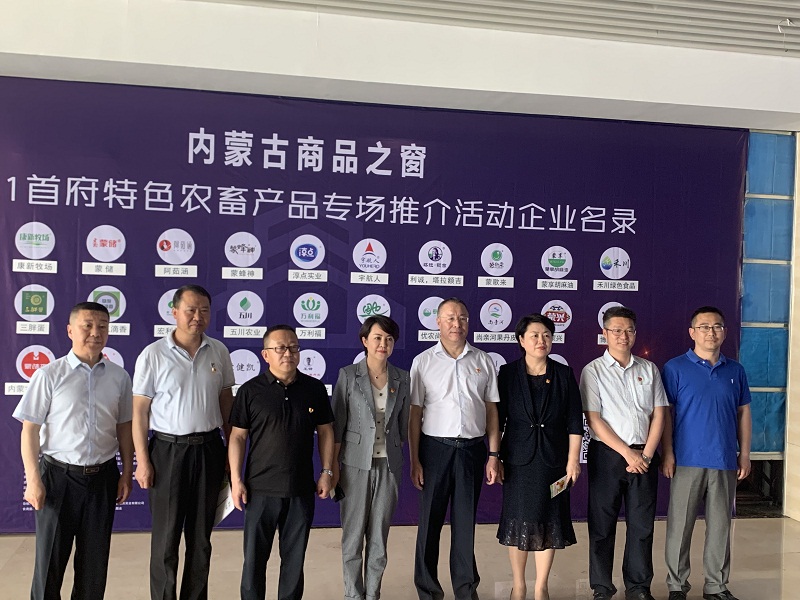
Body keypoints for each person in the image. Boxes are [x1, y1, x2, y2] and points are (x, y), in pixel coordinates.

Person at [13, 301, 134, 600]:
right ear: (70, 331)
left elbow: (124, 428)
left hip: (103, 477)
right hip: (58, 478)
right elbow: (30, 430)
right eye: (87, 326)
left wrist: (126, 472)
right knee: (49, 565)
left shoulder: (119, 377)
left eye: (102, 327)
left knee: (94, 566)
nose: (95, 333)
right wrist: (33, 480)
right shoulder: (49, 375)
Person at [132, 284, 235, 600]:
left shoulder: (219, 351)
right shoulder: (153, 354)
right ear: (174, 312)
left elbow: (226, 405)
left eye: (204, 310)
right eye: (190, 310)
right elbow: (139, 411)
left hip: (209, 449)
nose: (197, 316)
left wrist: (231, 457)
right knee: (166, 540)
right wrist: (142, 461)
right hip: (167, 451)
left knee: (201, 539)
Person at [229, 324, 335, 600]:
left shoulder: (314, 389)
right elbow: (238, 437)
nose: (288, 353)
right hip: (260, 490)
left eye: (293, 347)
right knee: (254, 562)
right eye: (280, 348)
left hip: (300, 489)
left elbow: (326, 431)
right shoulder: (250, 391)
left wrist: (326, 471)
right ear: (266, 354)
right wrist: (236, 480)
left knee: (294, 563)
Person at [408, 297, 502, 600]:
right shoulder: (423, 362)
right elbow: (414, 415)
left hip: (472, 451)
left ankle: (466, 590)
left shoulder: (483, 360)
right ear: (438, 322)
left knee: (465, 525)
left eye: (462, 318)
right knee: (430, 524)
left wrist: (493, 454)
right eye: (450, 318)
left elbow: (491, 411)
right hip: (435, 451)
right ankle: (428, 591)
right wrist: (415, 460)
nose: (456, 324)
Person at [661, 307, 752, 600]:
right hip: (686, 460)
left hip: (724, 459)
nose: (710, 332)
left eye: (716, 327)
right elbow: (665, 414)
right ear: (692, 332)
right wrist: (668, 452)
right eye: (703, 327)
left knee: (721, 527)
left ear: (724, 332)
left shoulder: (735, 371)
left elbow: (743, 413)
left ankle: (716, 586)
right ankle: (677, 585)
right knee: (680, 527)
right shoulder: (674, 368)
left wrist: (745, 453)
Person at [580, 306, 668, 600]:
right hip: (608, 456)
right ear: (604, 333)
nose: (623, 336)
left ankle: (638, 587)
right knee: (602, 525)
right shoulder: (593, 371)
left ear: (635, 333)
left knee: (642, 526)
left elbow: (659, 414)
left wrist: (647, 454)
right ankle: (602, 587)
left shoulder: (649, 369)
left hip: (645, 455)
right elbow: (594, 419)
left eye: (629, 330)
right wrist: (627, 453)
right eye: (616, 330)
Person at [496, 314, 584, 600]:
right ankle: (519, 585)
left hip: (554, 462)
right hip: (518, 461)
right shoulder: (507, 374)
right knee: (518, 520)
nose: (541, 340)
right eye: (534, 335)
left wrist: (573, 460)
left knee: (550, 519)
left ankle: (541, 586)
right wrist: (495, 456)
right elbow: (497, 420)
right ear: (521, 340)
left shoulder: (563, 374)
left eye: (546, 335)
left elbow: (574, 421)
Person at [331, 315, 411, 600]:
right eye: (377, 338)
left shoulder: (402, 378)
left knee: (379, 536)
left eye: (389, 339)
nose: (383, 344)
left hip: (389, 466)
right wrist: (333, 468)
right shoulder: (348, 375)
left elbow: (403, 425)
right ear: (365, 341)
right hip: (354, 465)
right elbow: (337, 426)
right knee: (353, 537)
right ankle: (354, 595)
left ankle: (373, 593)